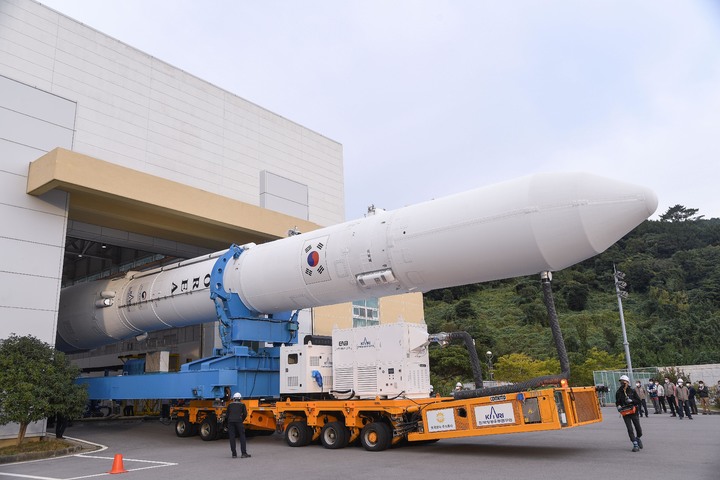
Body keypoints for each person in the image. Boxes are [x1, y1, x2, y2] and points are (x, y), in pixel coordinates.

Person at [615, 375, 643, 452]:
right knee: (630, 429)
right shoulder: (618, 392)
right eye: (621, 382)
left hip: (633, 411)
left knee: (638, 429)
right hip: (625, 412)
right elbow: (617, 402)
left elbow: (639, 401)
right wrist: (618, 406)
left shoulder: (632, 391)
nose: (622, 383)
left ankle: (638, 438)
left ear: (627, 382)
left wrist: (632, 401)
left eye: (624, 381)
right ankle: (635, 444)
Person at [226, 392, 250, 458]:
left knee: (232, 437)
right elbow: (245, 414)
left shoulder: (230, 405)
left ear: (233, 398)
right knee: (242, 436)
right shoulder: (242, 405)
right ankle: (243, 453)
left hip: (230, 421)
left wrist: (228, 421)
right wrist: (241, 420)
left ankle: (234, 454)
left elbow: (227, 415)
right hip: (239, 421)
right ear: (240, 399)